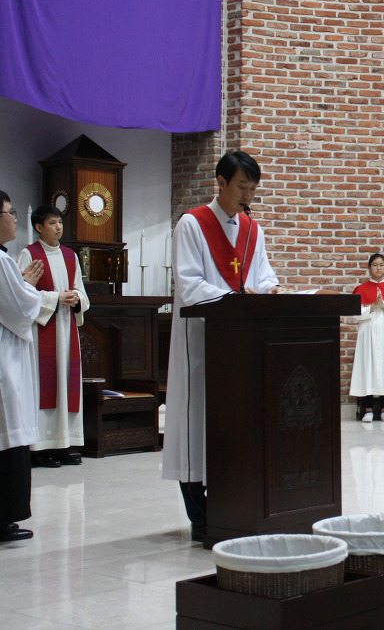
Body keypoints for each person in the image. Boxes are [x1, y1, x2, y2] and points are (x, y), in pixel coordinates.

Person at [161, 151, 281, 542]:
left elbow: (263, 276)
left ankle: (233, 504)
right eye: (242, 187)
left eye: (253, 189)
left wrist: (268, 291)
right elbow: (189, 283)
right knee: (197, 421)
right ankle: (200, 515)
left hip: (241, 343)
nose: (248, 196)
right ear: (221, 181)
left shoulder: (252, 230)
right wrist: (236, 298)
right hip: (201, 341)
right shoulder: (192, 225)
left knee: (235, 422)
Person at [17, 204, 89, 468]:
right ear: (38, 227)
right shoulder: (29, 254)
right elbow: (21, 294)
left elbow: (81, 291)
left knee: (66, 383)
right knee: (44, 384)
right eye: (52, 223)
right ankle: (39, 447)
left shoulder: (70, 256)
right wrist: (56, 298)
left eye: (59, 222)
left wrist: (75, 298)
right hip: (42, 332)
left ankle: (63, 444)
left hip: (67, 329)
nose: (58, 227)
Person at [0, 191, 44, 541]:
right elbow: (19, 310)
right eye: (9, 212)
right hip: (5, 362)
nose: (15, 218)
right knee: (8, 435)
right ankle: (4, 518)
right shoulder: (1, 262)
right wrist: (27, 285)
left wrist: (22, 286)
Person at [351, 253, 384, 423]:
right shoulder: (361, 289)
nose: (378, 268)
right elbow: (355, 314)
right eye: (375, 265)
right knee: (367, 368)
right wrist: (371, 308)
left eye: (381, 265)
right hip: (367, 333)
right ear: (369, 268)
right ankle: (367, 410)